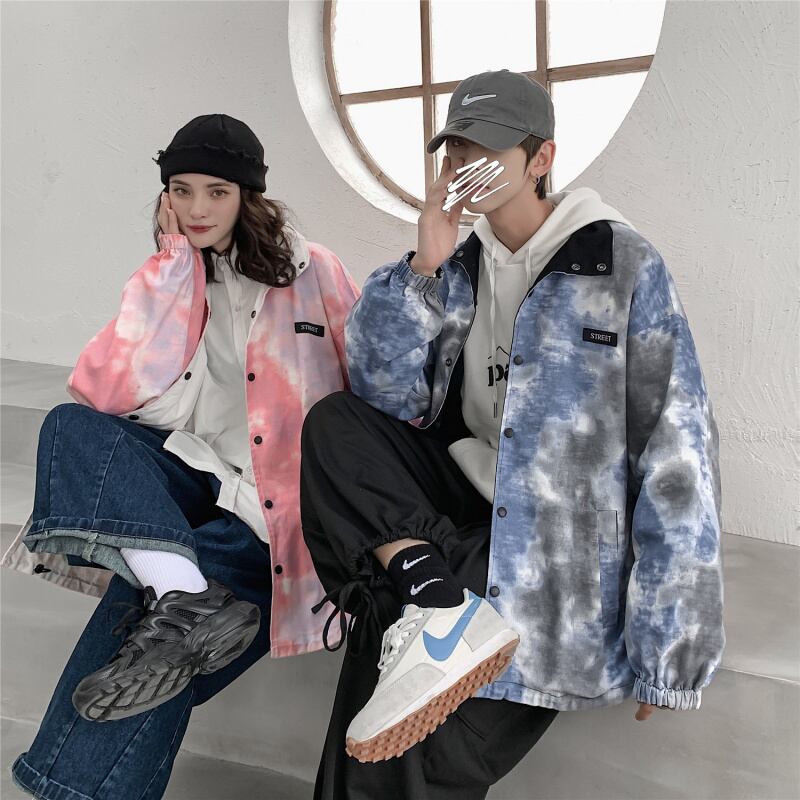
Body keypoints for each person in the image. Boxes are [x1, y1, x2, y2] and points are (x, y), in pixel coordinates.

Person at [300, 69, 725, 799]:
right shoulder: (456, 267)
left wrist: (671, 644)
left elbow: (677, 450)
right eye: (457, 149)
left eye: (487, 149)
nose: (466, 165)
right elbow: (383, 396)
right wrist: (425, 263)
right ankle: (436, 599)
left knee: (408, 750)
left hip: (548, 552)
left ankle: (434, 604)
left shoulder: (619, 265)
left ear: (541, 159)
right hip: (459, 516)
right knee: (335, 425)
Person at [2, 113, 360, 799]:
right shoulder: (179, 275)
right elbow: (104, 391)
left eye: (217, 191)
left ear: (249, 196)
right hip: (198, 485)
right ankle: (184, 594)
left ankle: (177, 598)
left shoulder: (316, 273)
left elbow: (376, 396)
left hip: (275, 519)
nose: (197, 208)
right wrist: (170, 272)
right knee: (72, 428)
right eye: (182, 190)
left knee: (148, 652)